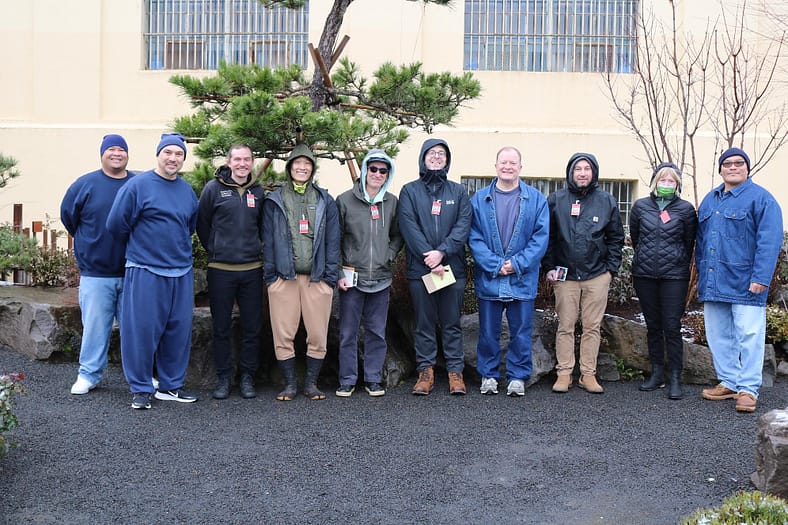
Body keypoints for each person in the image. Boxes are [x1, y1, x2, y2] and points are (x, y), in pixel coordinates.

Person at [106, 133, 199, 410]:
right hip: (145, 269)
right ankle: (141, 388)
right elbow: (116, 225)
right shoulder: (138, 186)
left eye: (178, 154)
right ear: (158, 154)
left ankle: (170, 386)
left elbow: (189, 227)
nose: (173, 158)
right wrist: (144, 247)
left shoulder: (186, 191)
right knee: (141, 331)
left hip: (180, 271)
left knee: (178, 331)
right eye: (168, 152)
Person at [696, 147, 783, 413]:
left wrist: (761, 277)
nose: (733, 167)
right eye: (728, 163)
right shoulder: (710, 200)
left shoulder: (762, 199)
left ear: (747, 168)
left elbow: (769, 242)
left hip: (747, 283)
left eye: (739, 163)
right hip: (714, 281)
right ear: (721, 168)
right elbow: (701, 241)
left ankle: (748, 388)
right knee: (719, 335)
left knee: (749, 335)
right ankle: (730, 382)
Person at [468, 147, 549, 396]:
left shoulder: (536, 199)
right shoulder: (479, 199)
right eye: (503, 162)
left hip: (522, 278)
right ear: (495, 166)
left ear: (520, 168)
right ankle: (488, 375)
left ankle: (517, 376)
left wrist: (516, 264)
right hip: (490, 278)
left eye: (513, 163)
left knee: (521, 333)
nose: (508, 167)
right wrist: (494, 264)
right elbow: (473, 236)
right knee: (488, 333)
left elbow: (541, 238)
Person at [262, 143, 340, 401]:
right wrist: (271, 276)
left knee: (317, 333)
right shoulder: (275, 199)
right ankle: (290, 384)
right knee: (283, 333)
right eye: (297, 163)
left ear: (313, 168)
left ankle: (311, 384)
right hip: (284, 278)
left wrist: (330, 278)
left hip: (317, 279)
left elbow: (333, 240)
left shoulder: (324, 199)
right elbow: (268, 240)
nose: (302, 167)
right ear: (289, 167)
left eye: (307, 164)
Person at [543, 152, 625, 394]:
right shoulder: (556, 200)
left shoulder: (606, 200)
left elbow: (616, 238)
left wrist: (611, 269)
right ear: (570, 172)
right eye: (577, 168)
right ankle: (564, 373)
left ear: (594, 172)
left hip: (597, 275)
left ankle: (588, 374)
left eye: (586, 168)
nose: (582, 173)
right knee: (565, 326)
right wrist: (548, 267)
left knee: (592, 326)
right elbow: (547, 237)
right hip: (565, 275)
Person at [61, 134, 135, 395]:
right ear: (102, 153)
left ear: (128, 154)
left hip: (133, 271)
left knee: (136, 329)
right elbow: (69, 218)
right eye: (111, 149)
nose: (117, 154)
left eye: (121, 150)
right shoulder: (85, 184)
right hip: (96, 272)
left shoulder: (138, 183)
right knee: (94, 327)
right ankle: (88, 374)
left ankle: (139, 376)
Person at [398, 138, 472, 395]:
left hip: (453, 270)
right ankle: (426, 371)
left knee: (452, 322)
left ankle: (455, 372)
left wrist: (442, 253)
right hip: (421, 270)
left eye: (442, 153)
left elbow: (463, 226)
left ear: (447, 160)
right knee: (424, 323)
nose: (437, 157)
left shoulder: (458, 192)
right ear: (423, 157)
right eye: (432, 153)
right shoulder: (409, 191)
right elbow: (408, 227)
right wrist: (429, 256)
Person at [197, 144, 264, 400]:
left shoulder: (258, 191)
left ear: (252, 162)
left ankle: (247, 377)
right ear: (229, 161)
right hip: (220, 270)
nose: (242, 164)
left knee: (252, 327)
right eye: (237, 159)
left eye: (247, 159)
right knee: (221, 327)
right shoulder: (213, 189)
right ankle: (224, 377)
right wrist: (215, 249)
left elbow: (261, 226)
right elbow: (202, 224)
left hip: (251, 270)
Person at [334, 149, 403, 398]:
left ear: (388, 175)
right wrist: (340, 271)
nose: (377, 174)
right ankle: (347, 379)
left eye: (382, 171)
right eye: (372, 169)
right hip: (352, 278)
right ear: (364, 171)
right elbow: (336, 238)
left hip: (381, 278)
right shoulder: (344, 200)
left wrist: (390, 254)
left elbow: (398, 235)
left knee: (376, 332)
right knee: (348, 332)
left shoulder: (392, 202)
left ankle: (373, 378)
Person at [629, 162, 697, 400]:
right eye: (662, 180)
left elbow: (688, 243)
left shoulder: (686, 210)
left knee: (672, 326)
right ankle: (657, 373)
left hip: (674, 276)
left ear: (677, 185)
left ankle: (675, 377)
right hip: (645, 275)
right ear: (654, 182)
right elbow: (636, 238)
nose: (666, 184)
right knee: (653, 326)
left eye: (671, 181)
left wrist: (676, 263)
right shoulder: (640, 207)